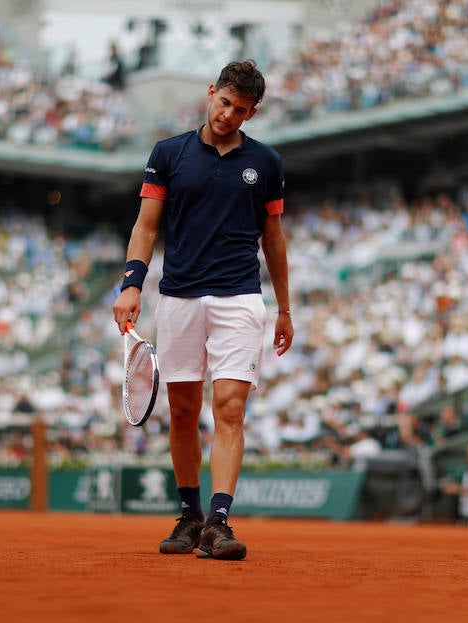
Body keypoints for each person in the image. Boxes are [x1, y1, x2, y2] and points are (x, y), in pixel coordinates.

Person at [112, 60, 293, 561]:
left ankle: (218, 521)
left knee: (230, 408)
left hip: (240, 298)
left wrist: (284, 308)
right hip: (178, 298)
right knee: (183, 412)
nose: (228, 115)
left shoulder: (267, 163)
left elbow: (274, 239)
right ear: (212, 92)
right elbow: (146, 226)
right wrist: (131, 285)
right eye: (225, 102)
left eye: (241, 110)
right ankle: (190, 516)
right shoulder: (167, 154)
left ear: (252, 113)